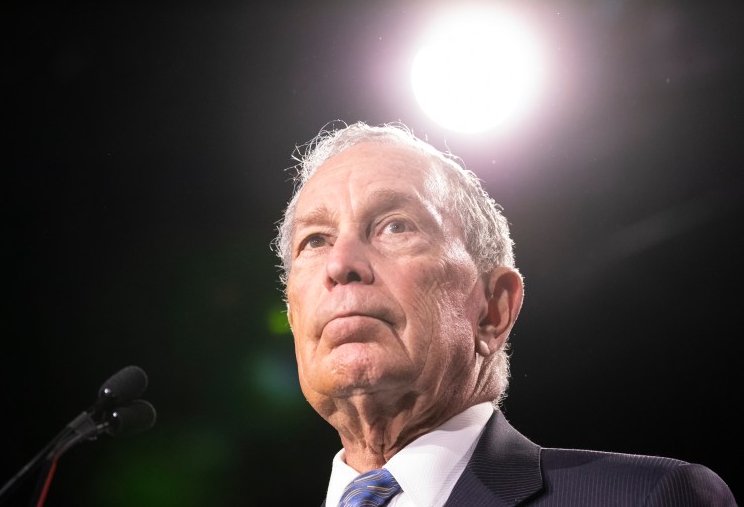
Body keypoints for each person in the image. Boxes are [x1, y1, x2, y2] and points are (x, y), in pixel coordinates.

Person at [273, 121, 737, 506]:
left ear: (493, 309)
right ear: (294, 318)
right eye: (315, 240)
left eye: (395, 226)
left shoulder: (647, 498)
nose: (340, 264)